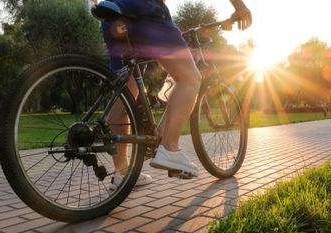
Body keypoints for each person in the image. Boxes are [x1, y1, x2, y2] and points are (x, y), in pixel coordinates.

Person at [94, 0, 252, 188]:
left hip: (113, 17)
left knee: (125, 96)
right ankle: (169, 147)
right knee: (190, 78)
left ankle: (122, 173)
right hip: (145, 11)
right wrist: (240, 7)